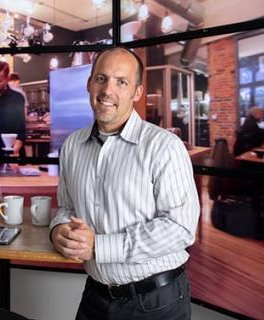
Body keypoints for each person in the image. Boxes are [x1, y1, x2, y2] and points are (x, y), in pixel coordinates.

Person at [50, 47, 200, 320]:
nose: (108, 90)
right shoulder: (72, 145)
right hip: (95, 297)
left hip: (156, 303)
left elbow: (181, 228)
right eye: (101, 78)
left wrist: (99, 246)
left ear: (137, 92)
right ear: (89, 83)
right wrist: (58, 230)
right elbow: (66, 207)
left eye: (122, 82)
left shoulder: (164, 146)